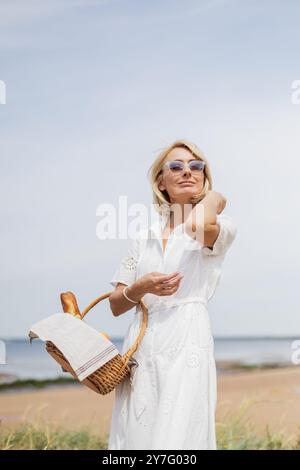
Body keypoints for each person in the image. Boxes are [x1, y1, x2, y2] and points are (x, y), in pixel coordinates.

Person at [108, 139, 237, 450]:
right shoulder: (143, 238)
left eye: (197, 167)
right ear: (160, 182)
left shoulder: (221, 225)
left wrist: (214, 198)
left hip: (187, 338)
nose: (187, 172)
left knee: (178, 434)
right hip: (141, 343)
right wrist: (141, 288)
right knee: (135, 433)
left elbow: (195, 225)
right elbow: (115, 304)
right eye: (176, 167)